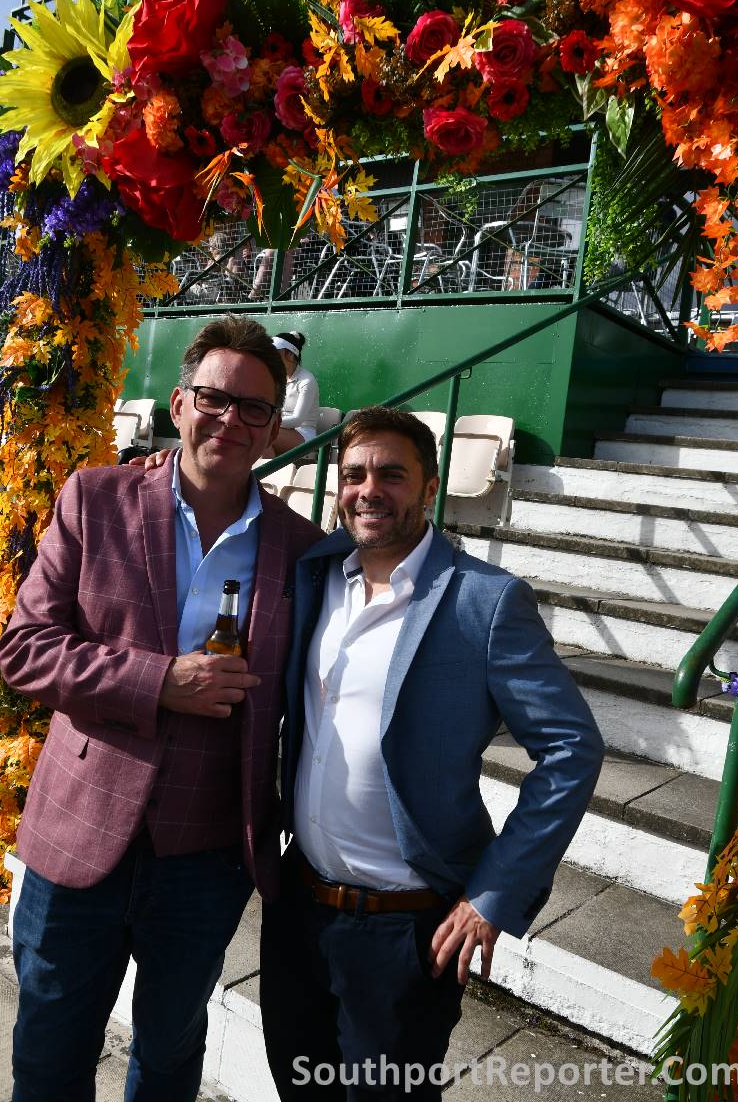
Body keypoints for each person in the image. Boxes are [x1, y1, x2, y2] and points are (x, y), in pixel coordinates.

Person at [0, 316, 321, 1102]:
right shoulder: (96, 498)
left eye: (253, 408)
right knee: (49, 1055)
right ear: (178, 404)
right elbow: (26, 650)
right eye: (214, 399)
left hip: (207, 853)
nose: (230, 420)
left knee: (170, 1057)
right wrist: (158, 681)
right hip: (79, 830)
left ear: (273, 428)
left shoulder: (303, 548)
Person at [259, 406, 605, 1100]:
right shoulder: (316, 573)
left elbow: (571, 748)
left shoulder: (486, 601)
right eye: (354, 474)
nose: (369, 490)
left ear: (429, 487)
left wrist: (494, 895)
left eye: (392, 474)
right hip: (298, 910)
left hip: (405, 930)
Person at [266, 331, 321, 456]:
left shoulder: (307, 380)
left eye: (276, 353)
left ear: (291, 355)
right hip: (280, 428)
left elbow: (297, 420)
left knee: (264, 436)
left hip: (304, 434)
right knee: (259, 436)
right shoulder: (277, 379)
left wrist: (268, 421)